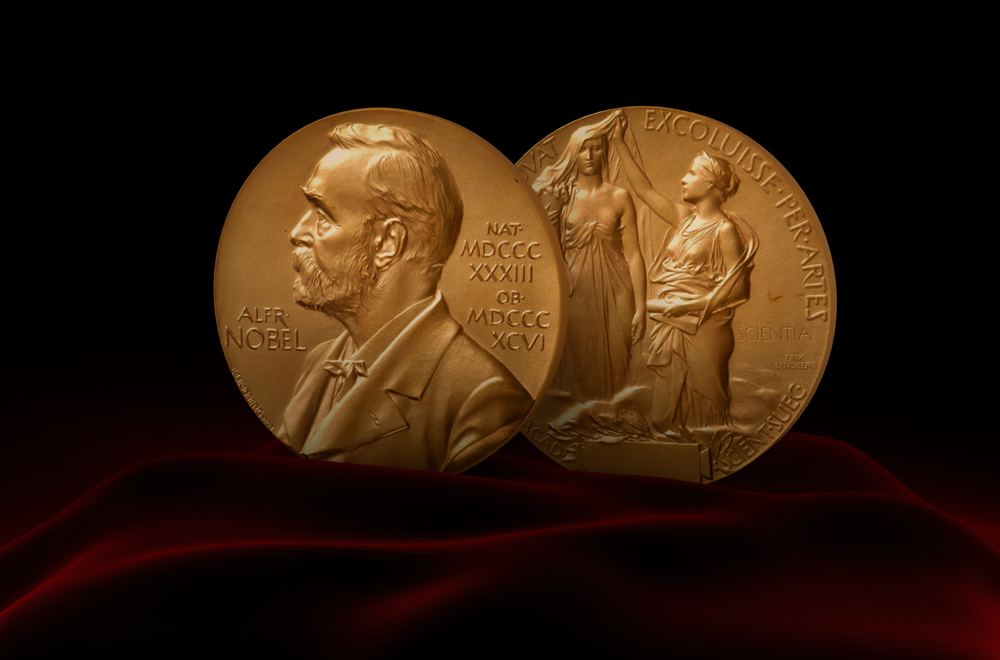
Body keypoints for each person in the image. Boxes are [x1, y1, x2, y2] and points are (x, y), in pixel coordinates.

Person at [278, 123, 532, 472]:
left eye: (322, 216)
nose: (297, 233)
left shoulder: (484, 401)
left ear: (387, 243)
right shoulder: (320, 361)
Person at [611, 117, 757, 432]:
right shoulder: (683, 219)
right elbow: (643, 189)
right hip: (670, 324)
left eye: (691, 173)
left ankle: (709, 453)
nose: (683, 179)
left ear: (712, 186)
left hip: (704, 329)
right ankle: (667, 448)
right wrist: (620, 142)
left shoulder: (725, 230)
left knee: (705, 400)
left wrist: (685, 307)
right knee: (666, 397)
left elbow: (739, 289)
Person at [532, 111, 646, 403]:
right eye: (583, 147)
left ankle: (615, 427)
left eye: (597, 147)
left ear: (605, 152)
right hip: (576, 288)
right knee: (582, 363)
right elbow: (547, 249)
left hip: (619, 285)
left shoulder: (620, 196)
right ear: (573, 152)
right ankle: (589, 427)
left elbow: (634, 254)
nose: (590, 154)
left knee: (621, 361)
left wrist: (641, 308)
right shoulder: (563, 196)